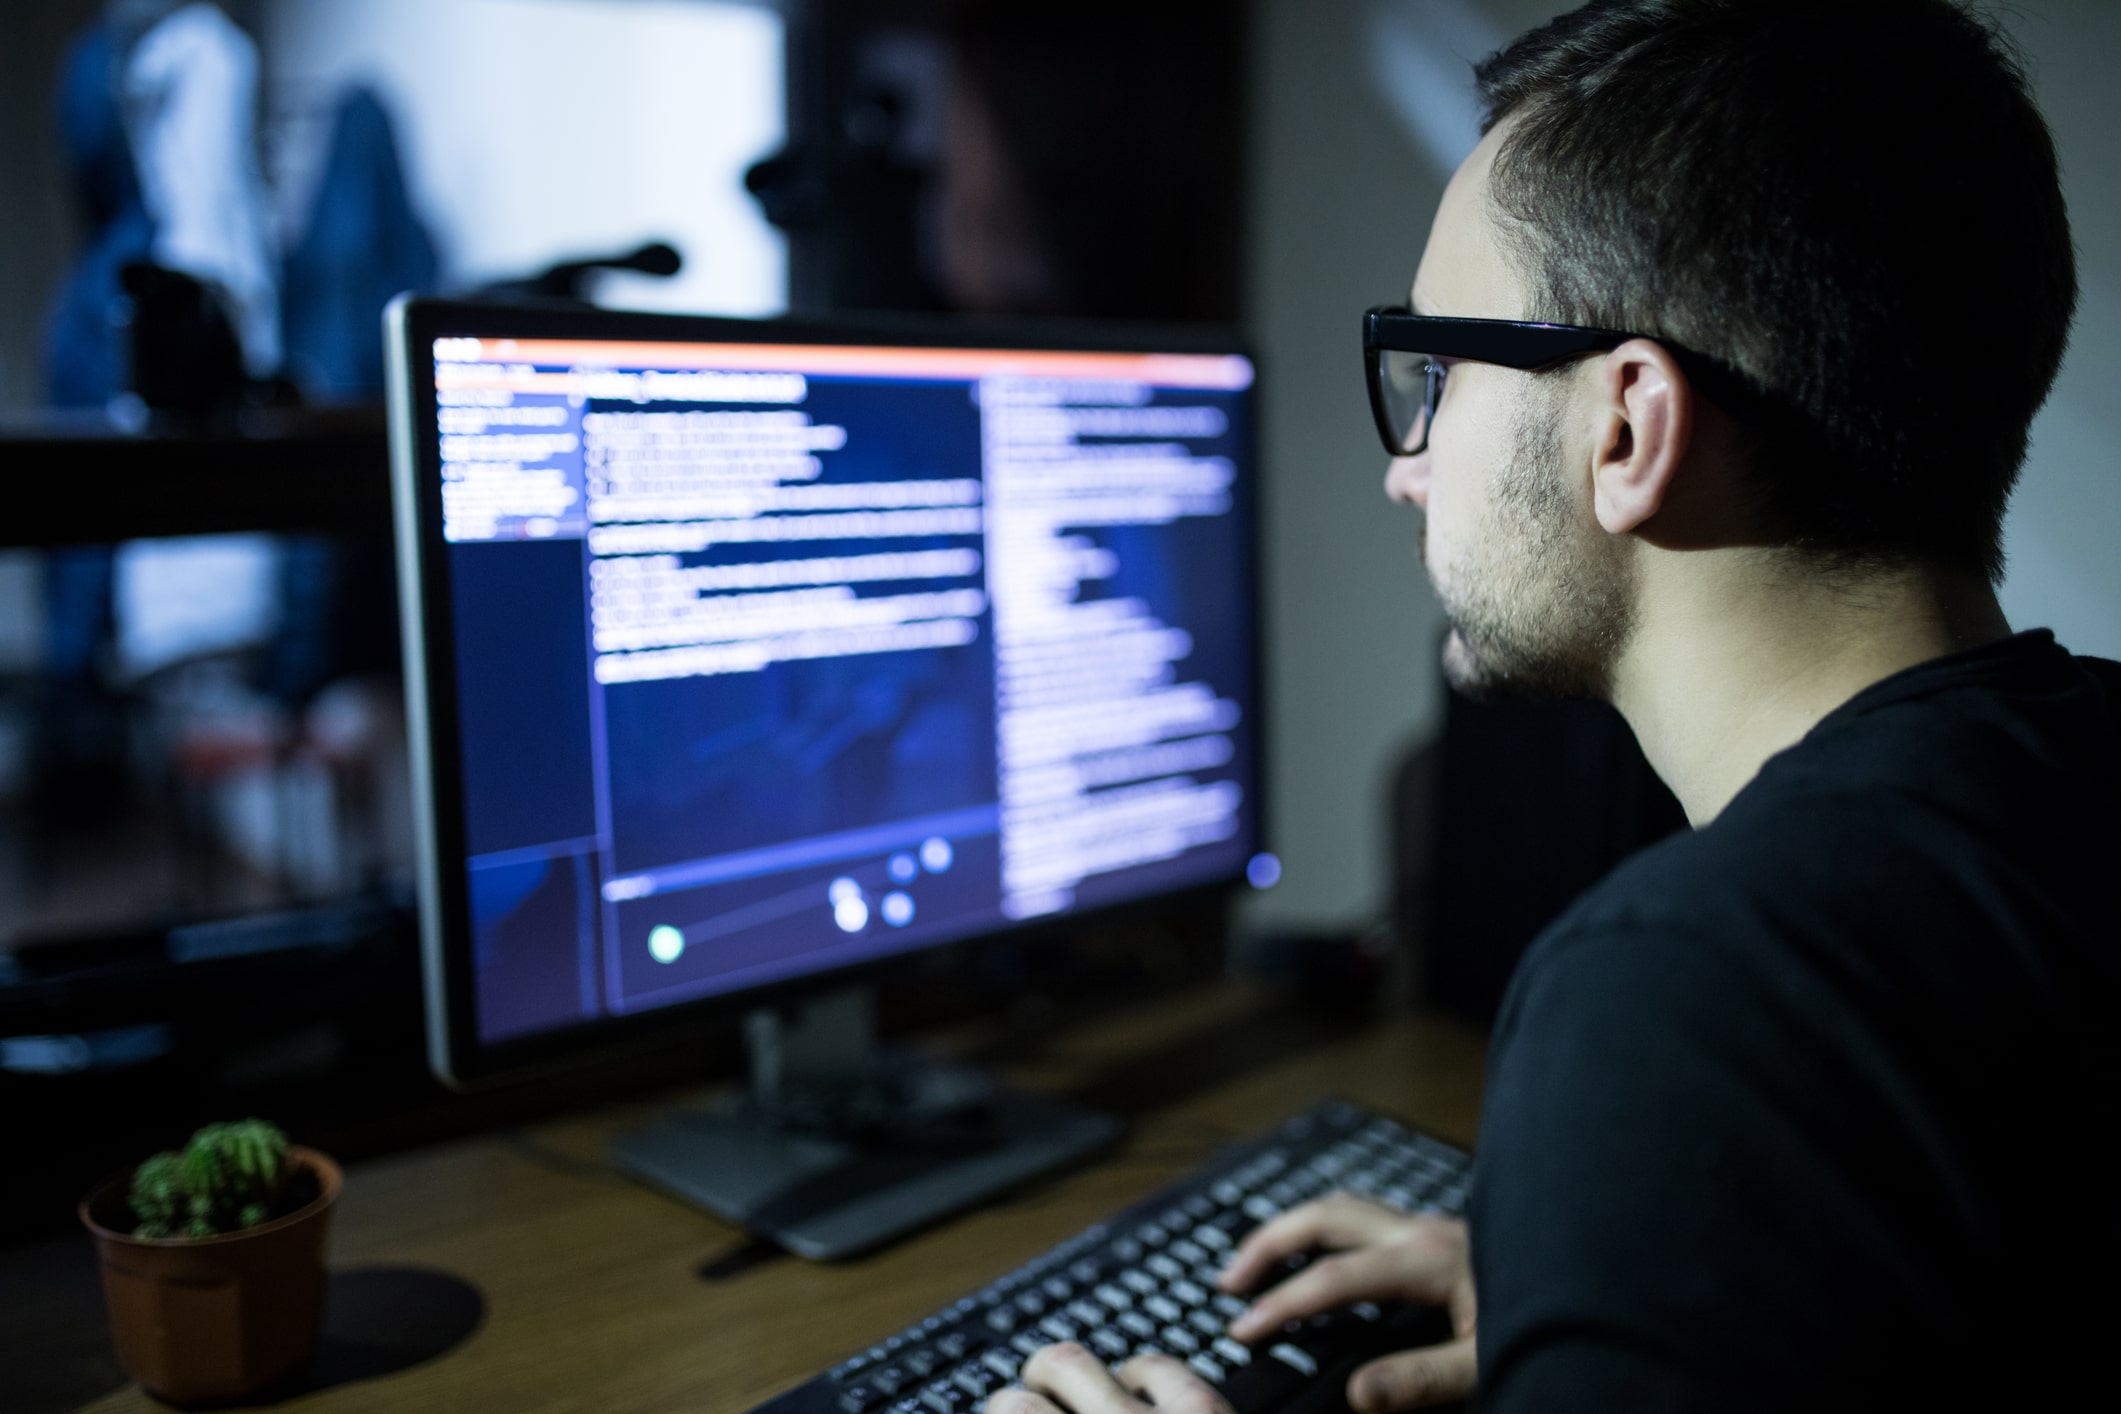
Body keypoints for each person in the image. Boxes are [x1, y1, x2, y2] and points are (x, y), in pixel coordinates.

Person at [985, 1, 2117, 1411]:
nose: (1407, 465)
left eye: (1440, 372)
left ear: (1626, 425)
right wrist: (1614, 1270)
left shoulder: (1688, 988)